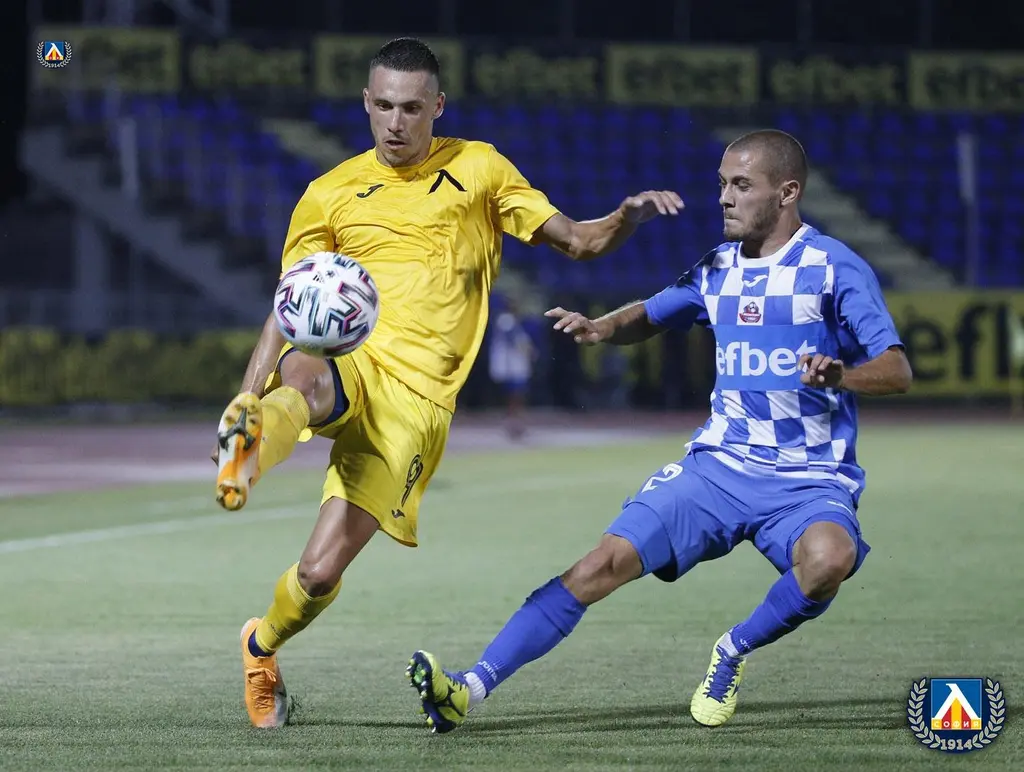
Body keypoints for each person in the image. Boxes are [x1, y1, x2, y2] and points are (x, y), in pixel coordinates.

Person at [211, 36, 683, 729]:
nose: (395, 122)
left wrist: (627, 217)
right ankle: (250, 440)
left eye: (411, 108)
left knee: (318, 574)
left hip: (417, 406)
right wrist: (245, 395)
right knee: (305, 374)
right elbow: (290, 306)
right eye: (383, 106)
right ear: (365, 104)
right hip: (353, 358)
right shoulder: (328, 194)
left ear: (437, 106)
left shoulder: (479, 168)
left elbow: (579, 241)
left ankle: (260, 646)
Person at [407, 129, 913, 733]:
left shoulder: (833, 267)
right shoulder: (718, 267)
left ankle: (732, 650)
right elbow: (649, 314)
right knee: (599, 564)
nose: (724, 197)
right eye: (721, 184)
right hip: (718, 468)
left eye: (741, 185)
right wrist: (601, 328)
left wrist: (843, 375)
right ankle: (467, 689)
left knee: (829, 560)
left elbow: (898, 369)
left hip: (809, 478)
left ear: (787, 193)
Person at [487, 298, 536, 439]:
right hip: (511, 365)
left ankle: (514, 421)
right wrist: (528, 349)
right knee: (515, 395)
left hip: (514, 364)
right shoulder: (506, 320)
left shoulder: (512, 320)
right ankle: (513, 422)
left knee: (516, 395)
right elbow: (512, 339)